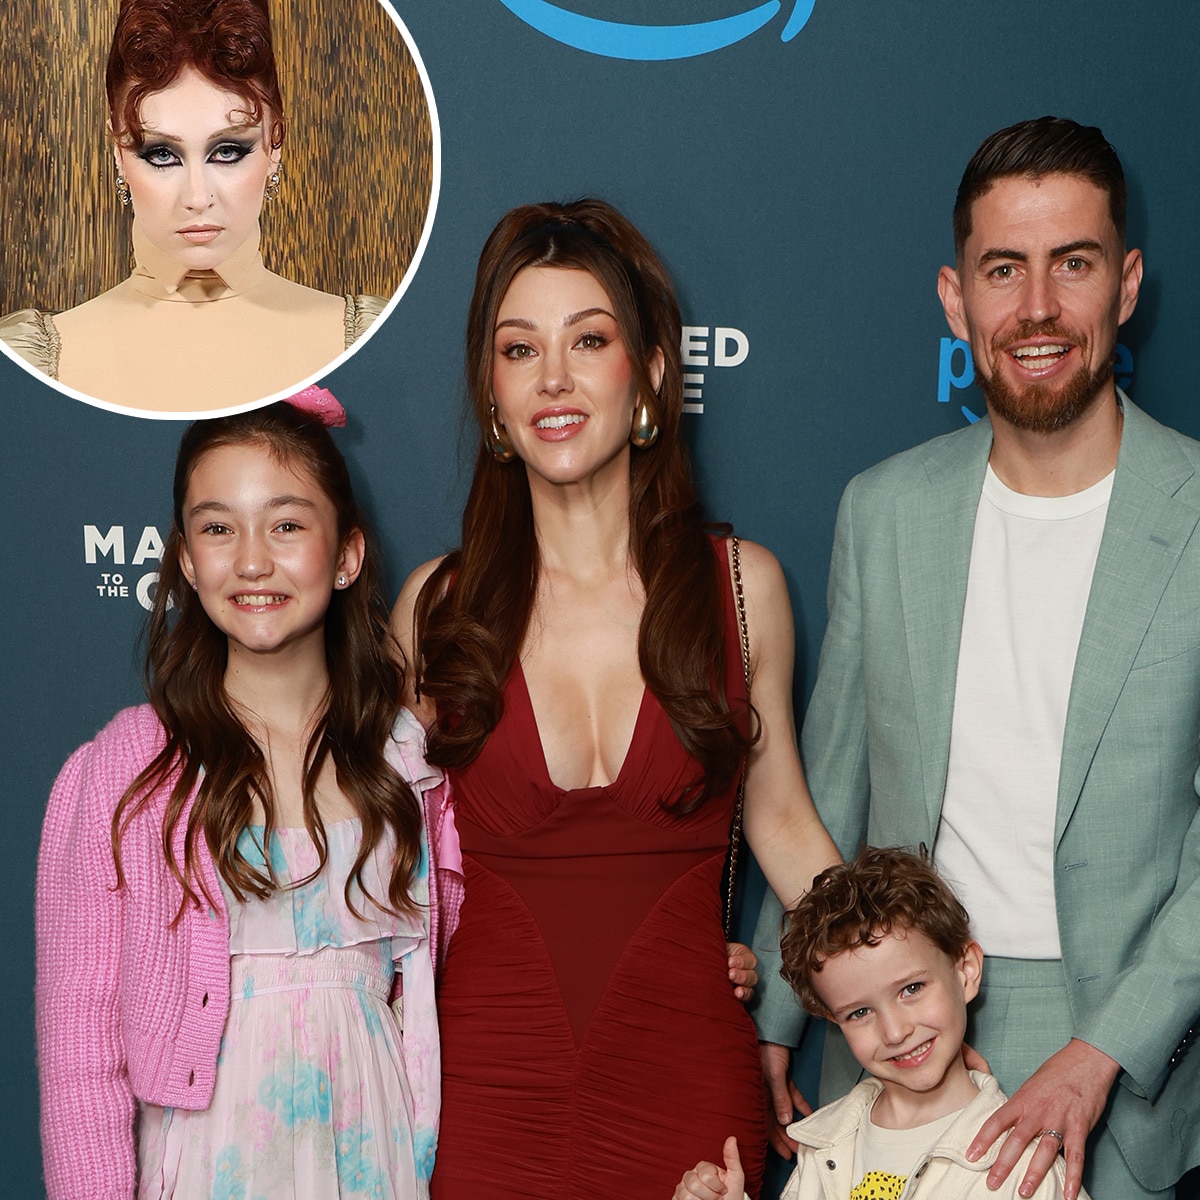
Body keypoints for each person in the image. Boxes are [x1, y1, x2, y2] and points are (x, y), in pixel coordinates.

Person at [751, 117, 1200, 1200]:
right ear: (957, 300)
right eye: (1004, 270)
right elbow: (832, 779)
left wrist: (1104, 1052)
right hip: (894, 1036)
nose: (1037, 307)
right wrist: (777, 1009)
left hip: (1119, 1058)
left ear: (1127, 284)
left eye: (1073, 264)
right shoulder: (884, 509)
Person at [391, 198, 838, 1198]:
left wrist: (905, 995)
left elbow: (785, 828)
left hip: (684, 1077)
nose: (552, 378)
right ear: (493, 393)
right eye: (519, 349)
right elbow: (376, 863)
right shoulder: (435, 608)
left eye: (588, 341)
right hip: (481, 1093)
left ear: (652, 375)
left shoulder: (741, 589)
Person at [36, 398, 446, 1199]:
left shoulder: (409, 764)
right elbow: (79, 1054)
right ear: (187, 561)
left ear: (347, 554)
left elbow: (457, 987)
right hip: (209, 1161)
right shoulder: (127, 771)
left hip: (377, 1154)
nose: (253, 561)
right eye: (219, 528)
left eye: (286, 525)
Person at [0, 0, 383, 413]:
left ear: (275, 142)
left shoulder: (367, 336)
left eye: (228, 151)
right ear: (118, 154)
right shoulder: (29, 357)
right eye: (162, 154)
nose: (198, 198)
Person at [675, 848, 1089, 1200]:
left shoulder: (1024, 1168)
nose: (894, 1032)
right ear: (832, 1017)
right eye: (859, 1012)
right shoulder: (824, 1143)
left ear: (966, 971)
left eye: (911, 989)